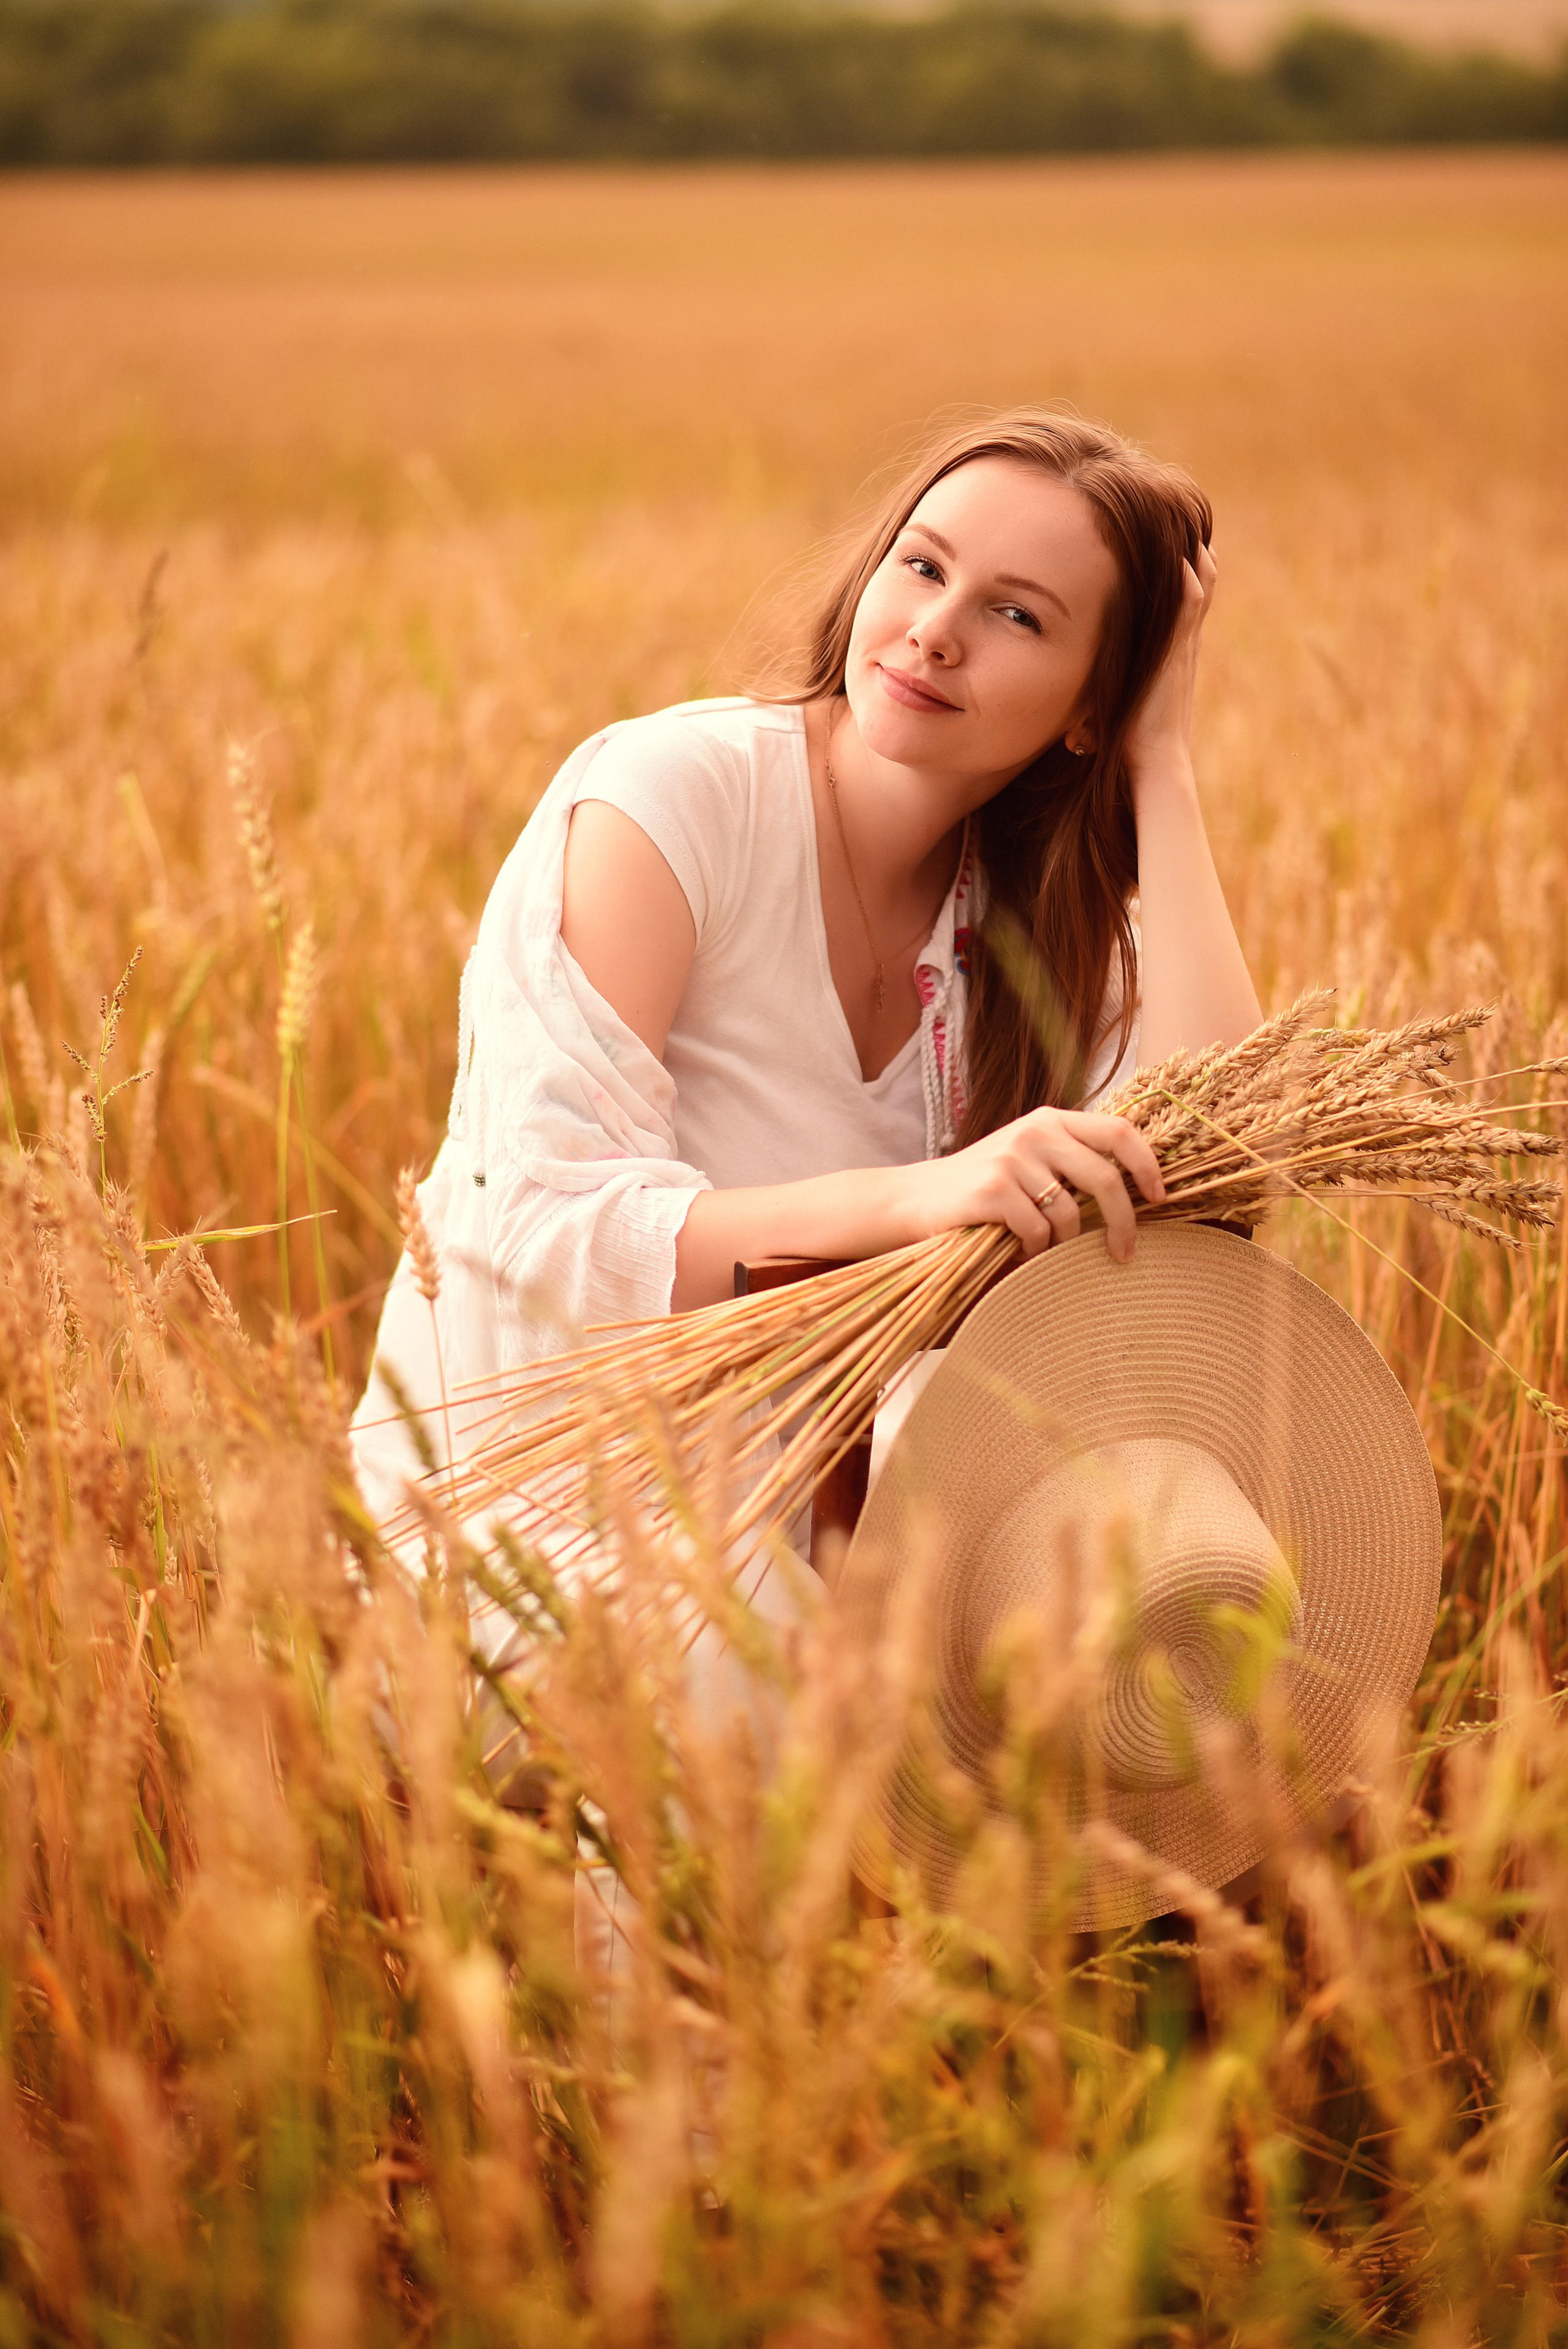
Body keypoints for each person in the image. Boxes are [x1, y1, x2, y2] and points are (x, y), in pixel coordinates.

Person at [350, 407, 1262, 1544]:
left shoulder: (1036, 920)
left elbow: (1219, 1177)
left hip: (835, 1531)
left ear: (1091, 706)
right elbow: (541, 1230)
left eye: (1018, 614)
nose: (933, 631)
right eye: (922, 565)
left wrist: (1161, 760)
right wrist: (927, 1197)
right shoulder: (672, 802)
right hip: (541, 1505)